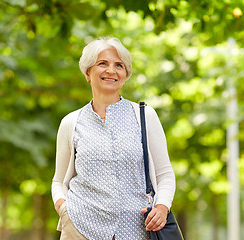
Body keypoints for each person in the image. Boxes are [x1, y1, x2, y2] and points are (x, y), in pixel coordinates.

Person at [51, 36, 175, 240]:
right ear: (87, 72)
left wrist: (162, 207)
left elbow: (165, 174)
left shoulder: (145, 116)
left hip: (137, 231)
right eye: (102, 63)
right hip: (81, 228)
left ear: (126, 74)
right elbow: (58, 180)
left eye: (119, 65)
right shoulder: (71, 122)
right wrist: (64, 209)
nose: (111, 70)